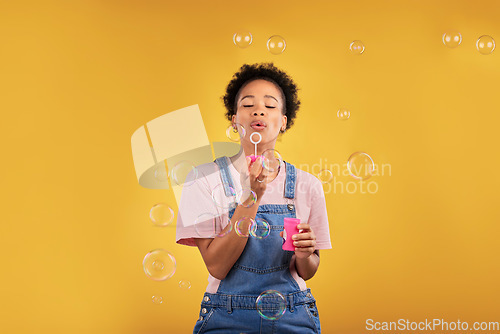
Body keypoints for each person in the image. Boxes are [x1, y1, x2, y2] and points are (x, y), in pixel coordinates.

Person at [176, 62, 331, 334]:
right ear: (234, 120)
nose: (259, 110)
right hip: (226, 315)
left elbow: (307, 271)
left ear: (283, 122)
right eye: (248, 105)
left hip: (293, 316)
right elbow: (217, 267)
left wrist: (305, 255)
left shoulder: (308, 185)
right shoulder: (202, 180)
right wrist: (252, 196)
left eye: (270, 106)